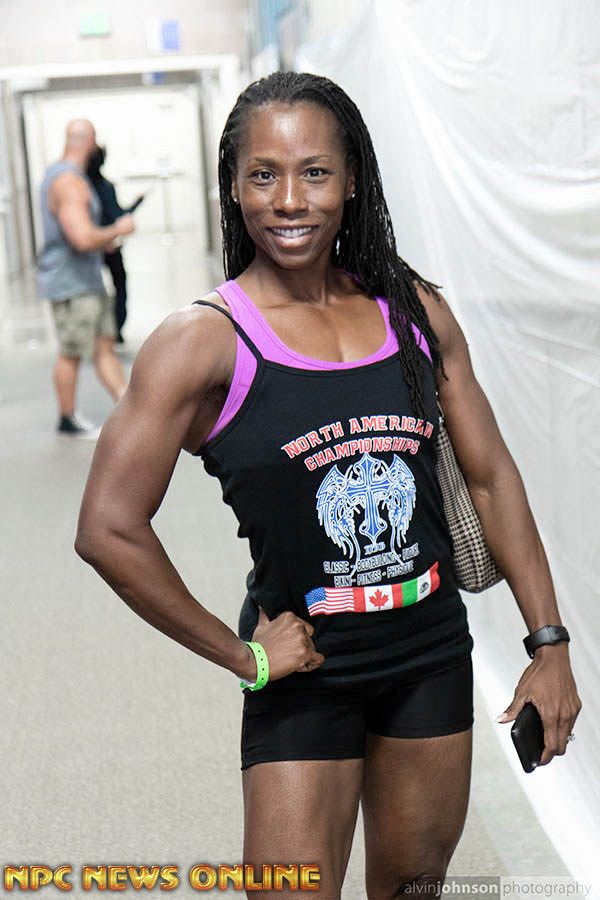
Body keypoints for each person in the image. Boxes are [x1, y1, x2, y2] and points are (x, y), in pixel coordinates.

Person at [74, 73, 581, 899]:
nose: (288, 200)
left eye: (314, 172)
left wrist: (548, 643)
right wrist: (241, 654)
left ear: (351, 182)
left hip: (428, 657)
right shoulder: (202, 343)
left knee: (416, 887)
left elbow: (491, 479)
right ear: (232, 187)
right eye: (263, 175)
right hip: (302, 672)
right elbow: (107, 527)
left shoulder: (413, 312)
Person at [37, 118, 136, 438]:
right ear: (89, 142)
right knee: (71, 352)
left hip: (88, 281)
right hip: (72, 285)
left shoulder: (74, 177)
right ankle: (67, 418)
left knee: (104, 346)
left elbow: (81, 233)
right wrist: (116, 229)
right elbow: (80, 238)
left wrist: (103, 240)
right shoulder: (68, 182)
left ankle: (128, 407)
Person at [86, 144, 146, 344]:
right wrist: (137, 203)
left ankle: (98, 331)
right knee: (120, 284)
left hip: (90, 248)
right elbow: (117, 215)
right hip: (109, 245)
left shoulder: (81, 187)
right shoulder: (105, 187)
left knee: (93, 289)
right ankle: (116, 329)